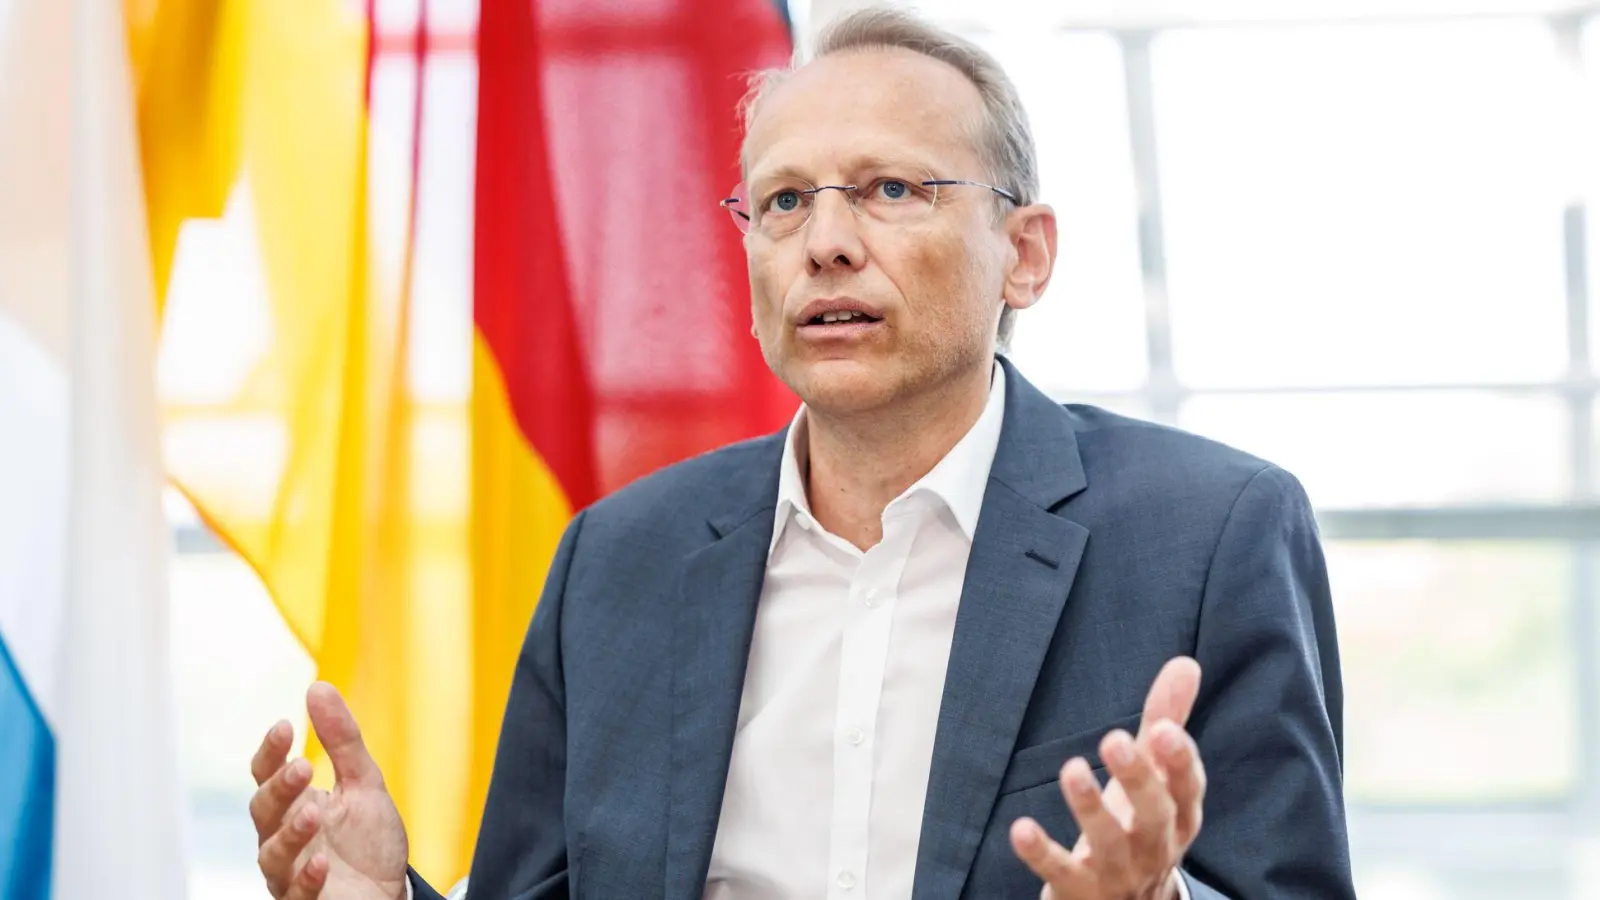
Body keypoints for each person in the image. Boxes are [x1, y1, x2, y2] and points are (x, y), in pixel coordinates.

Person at [247, 7, 1355, 899]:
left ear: (1023, 254)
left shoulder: (1208, 532)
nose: (825, 242)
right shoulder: (619, 558)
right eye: (782, 202)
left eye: (890, 190)